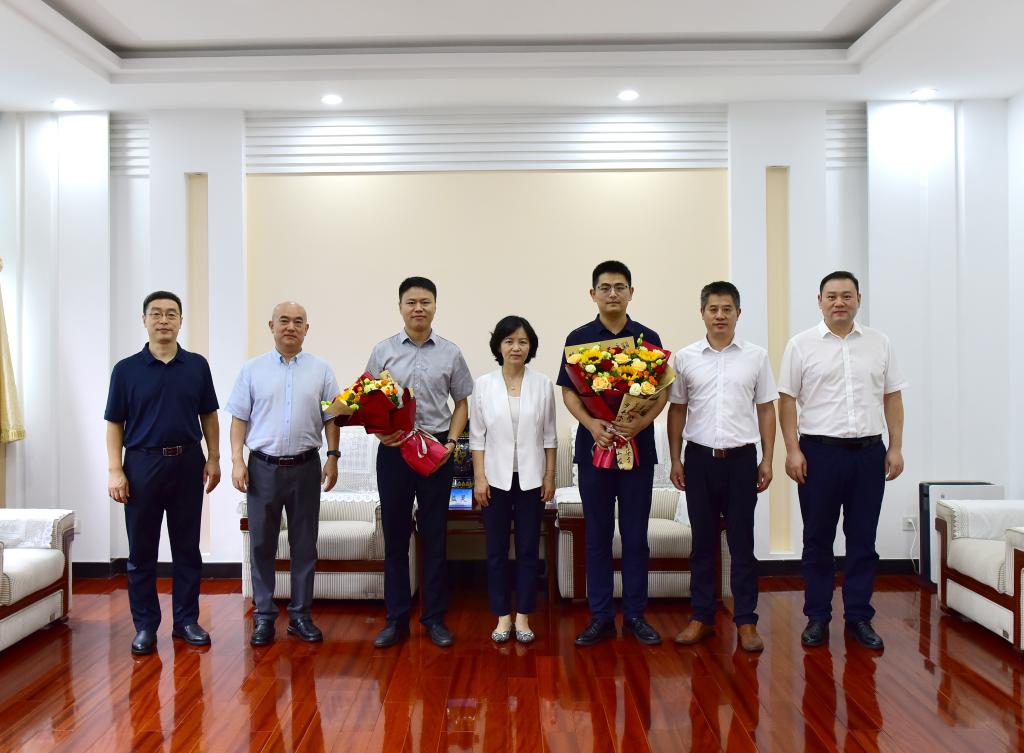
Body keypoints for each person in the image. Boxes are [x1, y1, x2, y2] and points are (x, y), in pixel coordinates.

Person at [778, 271, 906, 650]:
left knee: (863, 540)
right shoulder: (801, 345)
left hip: (869, 454)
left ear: (858, 300)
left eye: (847, 296)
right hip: (818, 454)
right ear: (819, 301)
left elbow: (893, 397)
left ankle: (859, 617)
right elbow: (787, 400)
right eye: (831, 296)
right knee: (817, 539)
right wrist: (792, 450)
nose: (839, 302)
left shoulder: (880, 343)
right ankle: (817, 617)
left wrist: (895, 447)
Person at [557, 260, 668, 646]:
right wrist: (591, 424)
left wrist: (641, 423)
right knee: (598, 536)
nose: (613, 294)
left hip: (638, 451)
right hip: (596, 449)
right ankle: (601, 616)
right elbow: (569, 391)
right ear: (593, 294)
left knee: (636, 536)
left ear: (631, 293)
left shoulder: (647, 337)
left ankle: (636, 615)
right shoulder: (579, 338)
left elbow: (662, 391)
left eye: (620, 287)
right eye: (605, 287)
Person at [105, 290, 221, 656]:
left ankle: (186, 621)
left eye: (171, 314)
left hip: (187, 462)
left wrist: (214, 458)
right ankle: (145, 626)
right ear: (144, 320)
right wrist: (115, 470)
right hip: (142, 465)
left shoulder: (197, 366)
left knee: (187, 548)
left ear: (181, 321)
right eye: (156, 313)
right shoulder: (126, 370)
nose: (164, 320)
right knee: (141, 552)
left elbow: (209, 415)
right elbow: (114, 423)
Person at [666, 281, 778, 652]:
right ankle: (701, 617)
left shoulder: (756, 357)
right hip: (699, 460)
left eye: (727, 309)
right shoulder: (685, 358)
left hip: (742, 460)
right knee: (702, 543)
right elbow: (677, 410)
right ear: (702, 313)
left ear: (738, 313)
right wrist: (675, 458)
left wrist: (767, 459)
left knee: (742, 543)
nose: (720, 315)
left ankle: (746, 620)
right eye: (713, 309)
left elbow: (766, 409)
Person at [226, 301, 340, 646]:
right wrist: (237, 460)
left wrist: (332, 457)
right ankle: (263, 617)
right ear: (271, 326)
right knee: (262, 544)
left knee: (304, 544)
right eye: (284, 321)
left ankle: (300, 616)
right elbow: (239, 418)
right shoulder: (252, 370)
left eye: (298, 322)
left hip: (306, 468)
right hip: (263, 468)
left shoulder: (321, 370)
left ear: (307, 329)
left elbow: (332, 418)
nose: (291, 327)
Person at [367, 276, 473, 648]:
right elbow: (367, 399)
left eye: (425, 302)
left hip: (435, 453)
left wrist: (452, 442)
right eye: (411, 302)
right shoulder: (382, 351)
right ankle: (396, 620)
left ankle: (434, 619)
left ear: (435, 306)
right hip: (395, 451)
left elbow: (462, 402)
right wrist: (380, 433)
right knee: (396, 539)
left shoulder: (451, 352)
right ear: (400, 307)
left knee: (435, 537)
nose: (418, 308)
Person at [470, 315, 558, 644]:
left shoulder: (543, 384)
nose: (516, 347)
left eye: (522, 341)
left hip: (532, 480)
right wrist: (480, 478)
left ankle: (523, 616)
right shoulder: (483, 384)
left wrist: (550, 475)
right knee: (495, 550)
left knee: (528, 550)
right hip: (494, 480)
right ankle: (502, 616)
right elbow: (477, 437)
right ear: (499, 346)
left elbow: (550, 436)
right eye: (509, 341)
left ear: (531, 346)